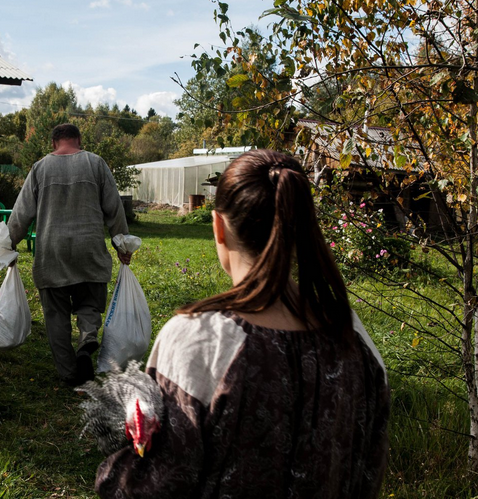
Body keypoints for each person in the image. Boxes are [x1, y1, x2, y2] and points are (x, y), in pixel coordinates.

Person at [95, 149, 390, 498]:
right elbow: (369, 469)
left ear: (218, 227)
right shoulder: (355, 339)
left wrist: (114, 463)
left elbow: (156, 484)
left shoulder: (200, 340)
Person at [6, 123, 132, 387]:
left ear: (54, 143)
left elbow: (21, 213)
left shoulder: (40, 168)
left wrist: (8, 244)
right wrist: (122, 244)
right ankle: (87, 340)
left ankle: (68, 374)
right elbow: (114, 208)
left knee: (56, 316)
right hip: (89, 250)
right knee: (89, 304)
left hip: (52, 253)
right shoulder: (96, 163)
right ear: (79, 140)